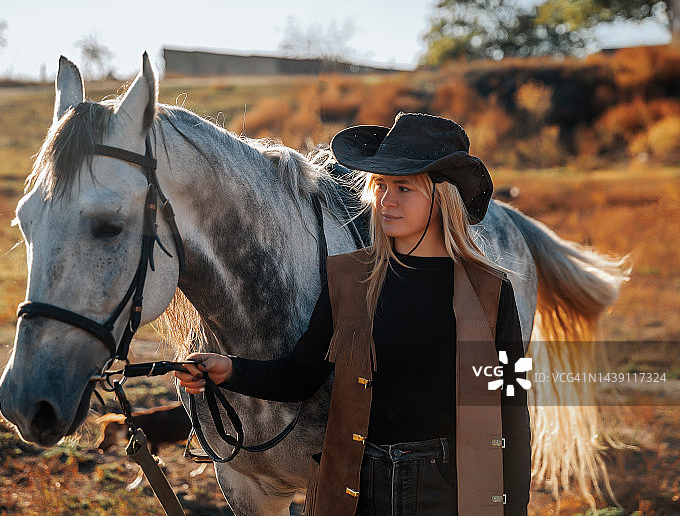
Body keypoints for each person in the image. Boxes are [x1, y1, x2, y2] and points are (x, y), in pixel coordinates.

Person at [174, 113, 531, 515]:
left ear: (442, 196)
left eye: (403, 187)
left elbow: (512, 407)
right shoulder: (350, 279)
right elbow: (299, 376)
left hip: (449, 494)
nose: (386, 200)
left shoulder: (489, 290)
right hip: (360, 491)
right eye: (379, 185)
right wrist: (230, 370)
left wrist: (513, 505)